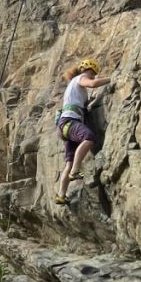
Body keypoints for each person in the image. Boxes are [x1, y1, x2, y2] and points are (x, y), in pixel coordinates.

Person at [54, 59, 111, 205]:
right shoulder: (80, 78)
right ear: (88, 70)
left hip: (64, 126)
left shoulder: (74, 88)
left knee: (69, 162)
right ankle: (75, 171)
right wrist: (110, 79)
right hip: (70, 121)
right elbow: (92, 84)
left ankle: (61, 195)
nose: (93, 77)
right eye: (93, 74)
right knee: (89, 138)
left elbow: (83, 105)